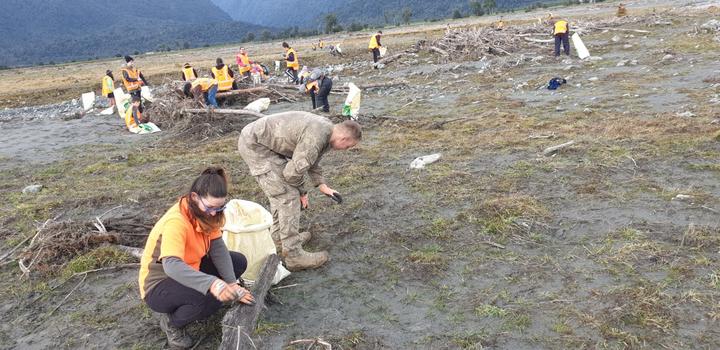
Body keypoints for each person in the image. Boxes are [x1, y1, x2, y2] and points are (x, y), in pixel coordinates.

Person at [139, 167, 254, 349]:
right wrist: (213, 284)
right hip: (159, 284)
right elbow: (172, 266)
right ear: (194, 197)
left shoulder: (207, 214)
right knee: (207, 299)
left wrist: (231, 283)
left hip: (191, 267)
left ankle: (208, 295)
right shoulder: (176, 222)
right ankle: (172, 323)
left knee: (238, 261)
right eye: (210, 207)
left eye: (220, 208)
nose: (214, 213)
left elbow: (217, 247)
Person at [237, 113, 362, 270]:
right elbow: (292, 174)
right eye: (349, 146)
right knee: (286, 195)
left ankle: (280, 240)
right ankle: (294, 256)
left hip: (262, 142)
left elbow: (312, 160)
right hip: (255, 146)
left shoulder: (327, 131)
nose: (346, 150)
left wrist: (322, 185)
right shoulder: (317, 136)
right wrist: (302, 192)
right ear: (344, 139)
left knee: (283, 193)